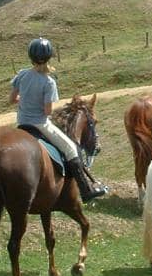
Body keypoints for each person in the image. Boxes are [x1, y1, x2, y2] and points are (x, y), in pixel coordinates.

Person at [11, 37, 108, 202]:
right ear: (49, 57)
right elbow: (47, 111)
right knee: (71, 149)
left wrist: (25, 100)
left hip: (21, 123)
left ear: (30, 57)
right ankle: (86, 191)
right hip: (40, 124)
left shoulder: (21, 74)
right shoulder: (49, 82)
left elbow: (12, 99)